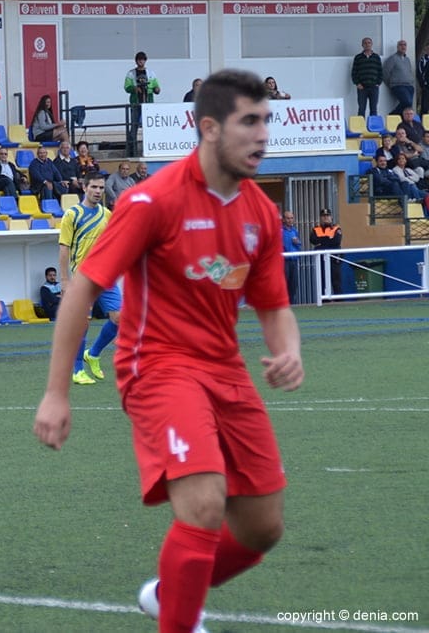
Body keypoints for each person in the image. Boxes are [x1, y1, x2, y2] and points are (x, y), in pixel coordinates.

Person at [34, 70, 304, 633]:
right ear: (209, 128)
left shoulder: (259, 212)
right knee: (203, 505)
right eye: (249, 122)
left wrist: (287, 351)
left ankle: (169, 594)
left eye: (266, 121)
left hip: (225, 370)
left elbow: (273, 304)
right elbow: (82, 288)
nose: (262, 134)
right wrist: (57, 393)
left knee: (263, 526)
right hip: (158, 367)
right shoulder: (152, 200)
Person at [59, 173, 120, 386]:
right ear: (84, 188)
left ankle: (93, 354)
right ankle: (78, 370)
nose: (98, 191)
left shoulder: (107, 214)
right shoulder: (72, 215)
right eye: (94, 187)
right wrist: (64, 280)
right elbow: (64, 248)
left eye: (101, 188)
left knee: (120, 318)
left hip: (105, 276)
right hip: (82, 278)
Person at [124, 51, 160, 156]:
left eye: (143, 59)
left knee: (150, 126)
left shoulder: (150, 73)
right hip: (136, 103)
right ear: (136, 61)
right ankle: (132, 151)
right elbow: (127, 87)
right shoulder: (131, 73)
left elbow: (156, 86)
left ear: (145, 61)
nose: (141, 61)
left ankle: (151, 148)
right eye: (139, 59)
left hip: (148, 104)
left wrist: (156, 89)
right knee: (134, 126)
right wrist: (134, 88)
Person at [311, 207, 342, 297]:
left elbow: (336, 241)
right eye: (323, 216)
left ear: (331, 217)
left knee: (336, 281)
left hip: (334, 258)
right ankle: (324, 301)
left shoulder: (336, 228)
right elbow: (313, 240)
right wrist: (328, 238)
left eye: (327, 216)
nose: (325, 218)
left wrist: (321, 242)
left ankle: (339, 301)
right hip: (321, 259)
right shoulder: (316, 229)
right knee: (322, 281)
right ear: (320, 218)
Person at [352, 37, 383, 117]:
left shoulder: (376, 57)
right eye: (365, 43)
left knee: (373, 109)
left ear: (371, 44)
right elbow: (354, 72)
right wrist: (357, 83)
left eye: (369, 43)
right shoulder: (358, 57)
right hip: (362, 87)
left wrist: (378, 83)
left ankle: (373, 125)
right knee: (361, 109)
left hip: (374, 87)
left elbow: (380, 71)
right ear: (362, 45)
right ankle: (360, 125)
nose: (367, 44)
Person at [382, 40, 415, 116]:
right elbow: (385, 73)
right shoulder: (392, 58)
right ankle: (392, 115)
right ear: (397, 47)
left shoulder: (407, 59)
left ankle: (402, 121)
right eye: (401, 45)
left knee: (408, 107)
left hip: (409, 86)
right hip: (398, 85)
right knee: (407, 102)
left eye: (405, 45)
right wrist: (391, 83)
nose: (403, 46)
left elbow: (409, 71)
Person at [281, 211, 302, 305]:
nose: (290, 220)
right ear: (283, 219)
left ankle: (292, 304)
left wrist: (297, 242)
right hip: (284, 261)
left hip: (294, 261)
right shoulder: (280, 231)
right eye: (288, 218)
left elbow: (299, 245)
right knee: (284, 284)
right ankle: (284, 305)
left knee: (293, 285)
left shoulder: (295, 231)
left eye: (291, 218)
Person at [418, 43, 429, 116]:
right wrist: (423, 83)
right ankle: (423, 121)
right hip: (426, 86)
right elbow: (420, 72)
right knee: (425, 106)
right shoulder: (423, 60)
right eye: (428, 49)